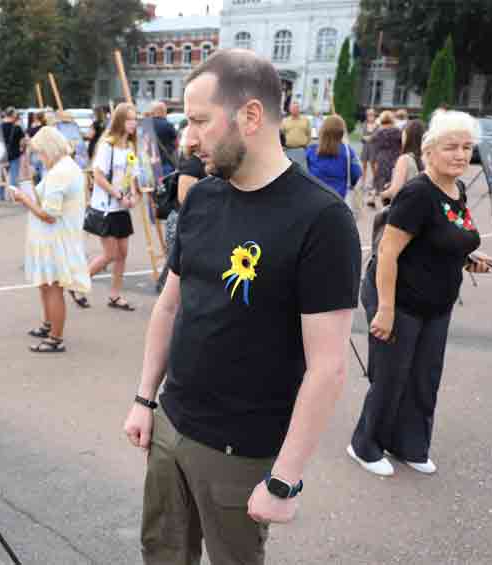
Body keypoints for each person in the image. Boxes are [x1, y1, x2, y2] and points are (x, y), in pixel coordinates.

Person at [123, 49, 361, 565]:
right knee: (161, 552)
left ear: (250, 116)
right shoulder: (204, 198)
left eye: (200, 121)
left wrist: (284, 479)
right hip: (170, 426)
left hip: (240, 453)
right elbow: (168, 307)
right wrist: (146, 399)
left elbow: (328, 367)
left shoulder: (322, 220)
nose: (188, 138)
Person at [348, 110, 492, 477]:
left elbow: (441, 238)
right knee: (391, 376)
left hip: (437, 302)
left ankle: (410, 445)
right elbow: (388, 252)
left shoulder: (456, 189)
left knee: (424, 378)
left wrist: (467, 256)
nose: (461, 155)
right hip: (400, 300)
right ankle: (365, 446)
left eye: (466, 147)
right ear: (429, 151)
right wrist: (384, 308)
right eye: (451, 147)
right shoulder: (418, 193)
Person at [11, 126, 90, 353]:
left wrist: (25, 201)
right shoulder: (64, 167)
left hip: (55, 238)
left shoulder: (59, 172)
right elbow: (42, 199)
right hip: (53, 238)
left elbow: (48, 215)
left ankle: (55, 337)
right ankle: (49, 326)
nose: (39, 157)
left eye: (39, 152)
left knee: (53, 287)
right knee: (46, 285)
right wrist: (26, 194)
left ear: (49, 148)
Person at [81, 102, 142, 311]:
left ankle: (115, 295)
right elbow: (97, 175)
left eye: (135, 119)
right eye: (130, 119)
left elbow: (132, 175)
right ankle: (77, 284)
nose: (133, 123)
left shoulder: (130, 148)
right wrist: (117, 194)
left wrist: (133, 196)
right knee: (110, 255)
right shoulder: (107, 145)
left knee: (122, 254)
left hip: (122, 209)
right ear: (120, 121)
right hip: (105, 207)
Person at [156, 126, 206, 292]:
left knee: (177, 266)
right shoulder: (193, 163)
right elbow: (184, 198)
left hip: (185, 220)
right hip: (182, 221)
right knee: (178, 267)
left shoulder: (197, 162)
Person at [305, 114, 362, 199]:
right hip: (337, 199)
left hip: (314, 197)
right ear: (341, 132)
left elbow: (305, 173)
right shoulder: (348, 151)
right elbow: (357, 173)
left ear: (323, 130)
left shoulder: (311, 150)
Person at [379, 119, 426, 204]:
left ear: (408, 136)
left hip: (405, 207)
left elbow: (395, 191)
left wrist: (381, 195)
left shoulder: (405, 159)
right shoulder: (426, 158)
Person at [368, 110, 402, 207]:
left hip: (381, 158)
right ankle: (387, 202)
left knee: (378, 178)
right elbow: (403, 144)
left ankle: (372, 198)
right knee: (391, 180)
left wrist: (373, 161)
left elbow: (372, 142)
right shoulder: (398, 131)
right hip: (394, 158)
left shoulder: (379, 132)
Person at [150, 101, 178, 177]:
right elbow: (176, 143)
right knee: (165, 184)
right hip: (165, 162)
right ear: (163, 111)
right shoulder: (168, 125)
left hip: (150, 163)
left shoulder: (147, 124)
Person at [1, 107, 26, 190]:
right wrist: (22, 149)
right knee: (14, 176)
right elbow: (23, 141)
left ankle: (1, 195)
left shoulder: (0, 127)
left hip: (3, 154)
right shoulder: (17, 127)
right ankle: (14, 194)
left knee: (3, 176)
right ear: (12, 115)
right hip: (15, 153)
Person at [359, 108, 379, 190]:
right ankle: (363, 183)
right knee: (363, 166)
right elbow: (361, 136)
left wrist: (370, 137)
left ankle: (375, 182)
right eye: (368, 115)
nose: (370, 116)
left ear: (374, 115)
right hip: (365, 147)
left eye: (371, 114)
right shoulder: (364, 124)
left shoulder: (377, 125)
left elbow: (376, 136)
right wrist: (364, 138)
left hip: (373, 148)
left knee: (373, 165)